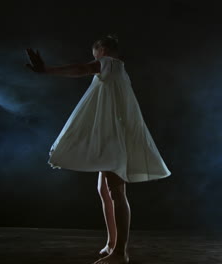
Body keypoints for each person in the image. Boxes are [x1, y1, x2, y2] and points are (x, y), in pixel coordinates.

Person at [25, 34, 171, 264]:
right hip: (112, 136)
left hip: (113, 138)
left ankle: (120, 253)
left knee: (116, 192)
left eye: (95, 54)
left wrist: (47, 70)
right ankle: (112, 243)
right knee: (104, 190)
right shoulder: (117, 71)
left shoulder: (110, 63)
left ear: (101, 50)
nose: (95, 59)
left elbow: (83, 68)